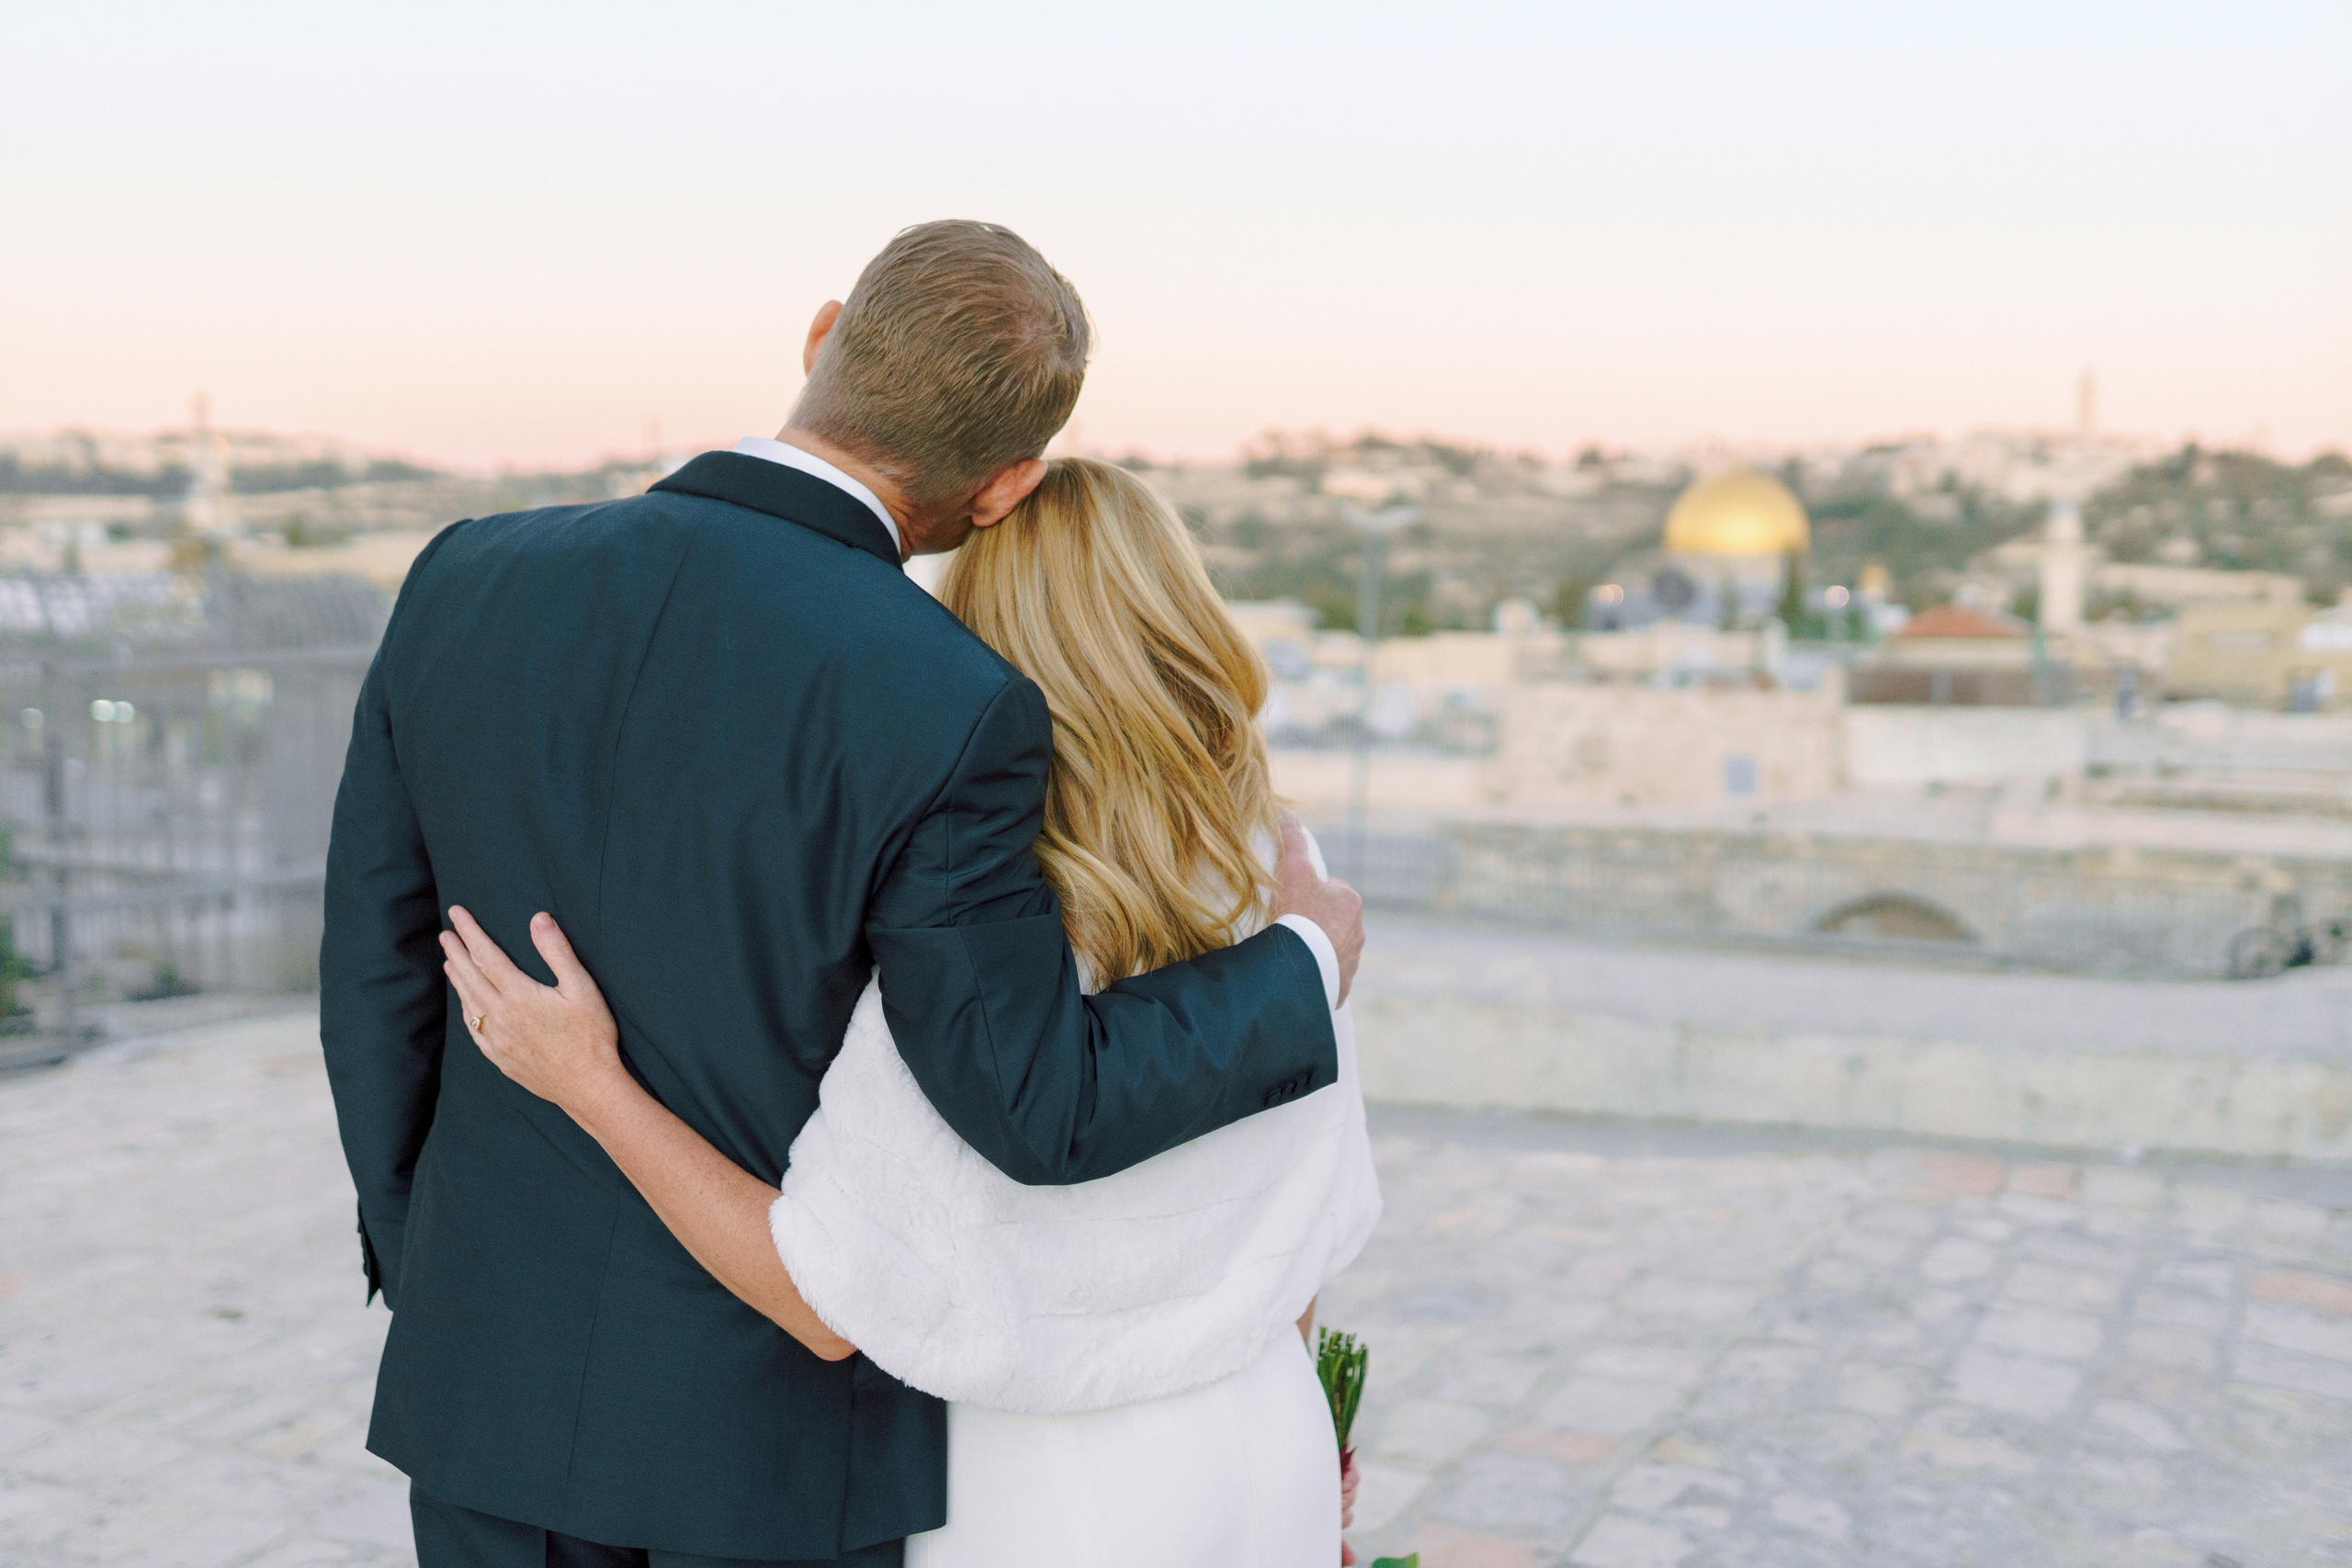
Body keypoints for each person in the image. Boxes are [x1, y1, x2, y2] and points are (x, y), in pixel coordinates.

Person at [319, 220, 1365, 1568]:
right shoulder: (950, 698)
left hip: (486, 1388)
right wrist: (1299, 964)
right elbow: (1031, 1093)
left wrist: (446, 1280)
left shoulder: (465, 575)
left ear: (822, 337)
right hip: (770, 1444)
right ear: (1004, 488)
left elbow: (375, 982)